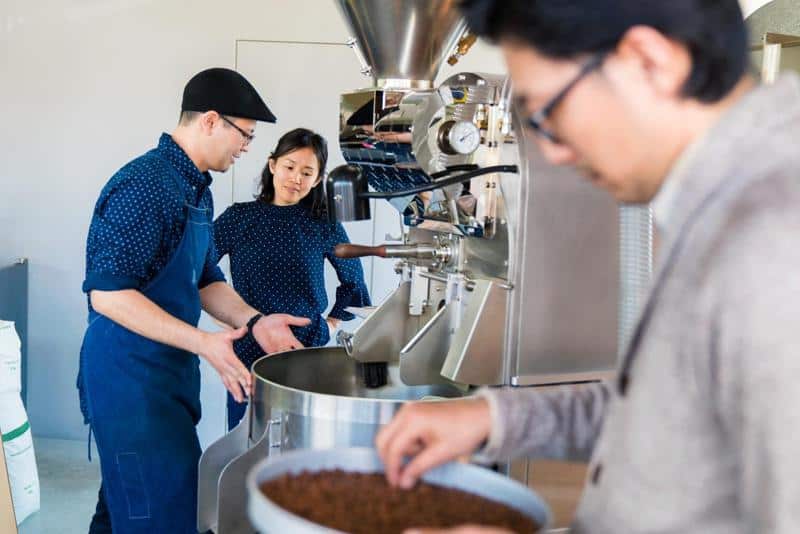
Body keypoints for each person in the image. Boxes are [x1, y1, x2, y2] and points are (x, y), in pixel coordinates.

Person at [376, 1, 800, 532]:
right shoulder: (715, 203)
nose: (551, 152)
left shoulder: (775, 238)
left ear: (648, 60)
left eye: (546, 114)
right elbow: (667, 408)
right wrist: (494, 416)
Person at [77, 67, 311, 533]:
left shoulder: (195, 190)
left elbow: (204, 280)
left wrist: (256, 319)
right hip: (130, 384)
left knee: (126, 508)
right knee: (163, 517)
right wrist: (205, 343)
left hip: (165, 379)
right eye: (244, 134)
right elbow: (108, 293)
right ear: (209, 120)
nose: (247, 147)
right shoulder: (145, 185)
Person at [213, 128, 371, 429]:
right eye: (289, 167)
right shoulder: (238, 218)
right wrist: (227, 318)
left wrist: (331, 323)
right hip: (247, 351)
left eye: (307, 172)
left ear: (317, 179)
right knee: (245, 437)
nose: (296, 178)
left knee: (299, 438)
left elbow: (353, 280)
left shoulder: (323, 224)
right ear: (273, 165)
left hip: (305, 351)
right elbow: (198, 265)